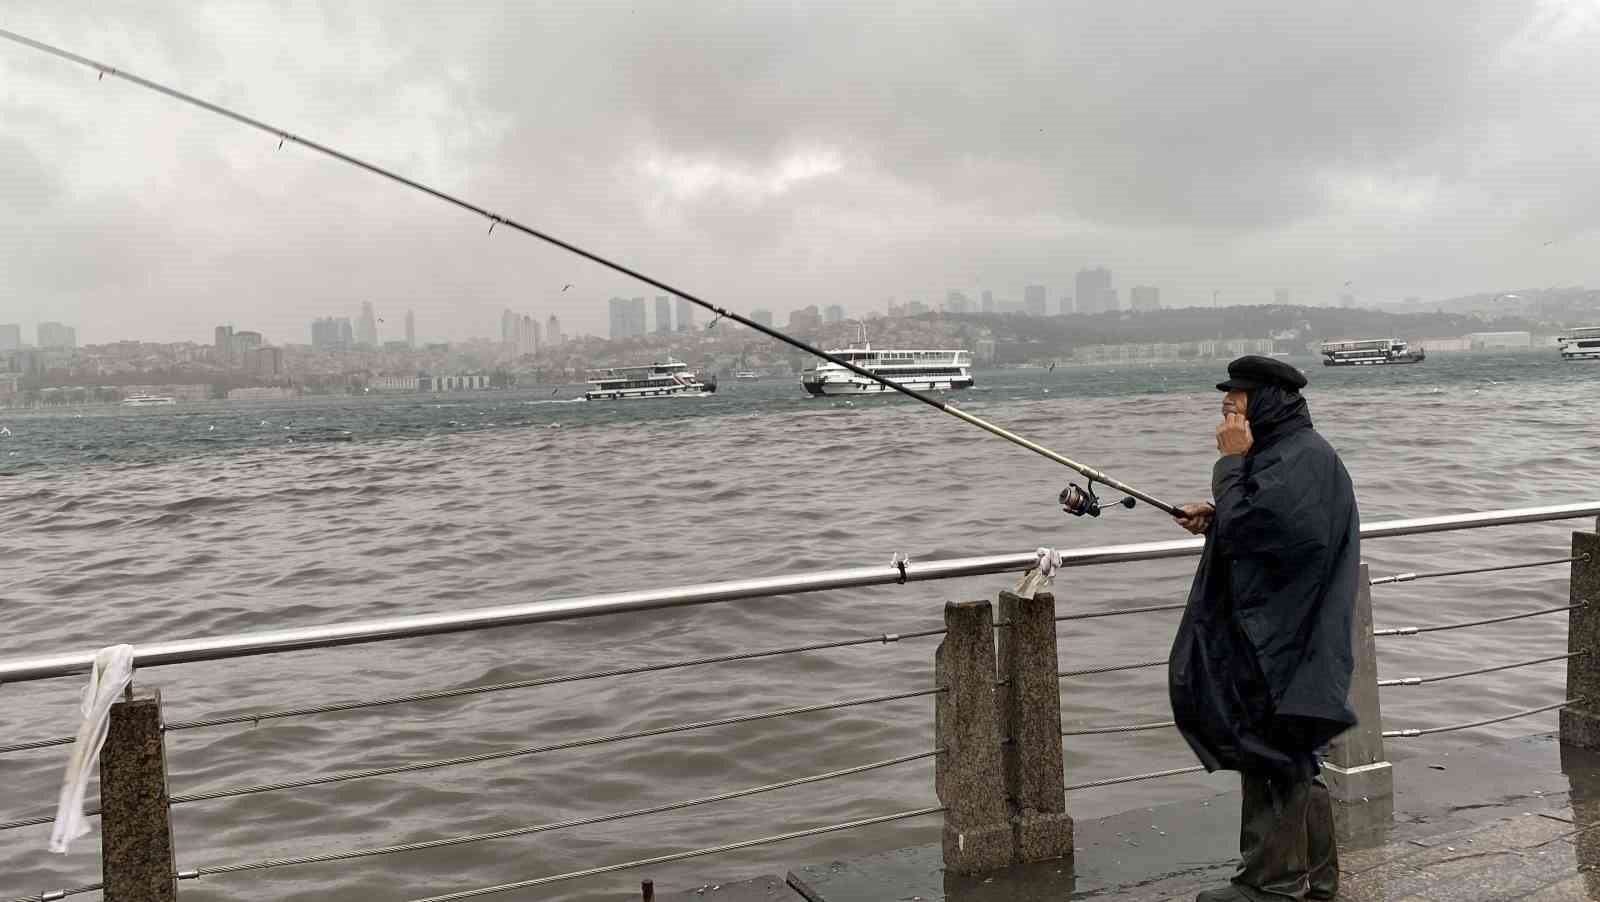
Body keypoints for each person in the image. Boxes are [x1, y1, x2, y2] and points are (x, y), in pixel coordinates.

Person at [1169, 355, 1360, 902]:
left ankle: (1268, 886)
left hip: (1286, 638)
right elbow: (1263, 521)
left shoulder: (1298, 456)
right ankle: (1316, 880)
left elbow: (1261, 530)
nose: (1228, 401)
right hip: (1289, 632)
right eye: (1227, 392)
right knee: (1295, 754)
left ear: (1271, 399)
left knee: (1274, 752)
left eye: (1240, 393)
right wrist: (1217, 511)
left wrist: (1230, 466)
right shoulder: (1286, 452)